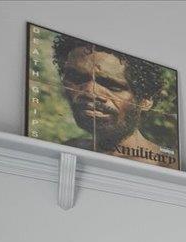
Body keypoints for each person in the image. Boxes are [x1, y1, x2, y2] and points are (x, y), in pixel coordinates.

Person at [52, 33, 177, 168]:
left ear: (146, 100)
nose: (90, 92)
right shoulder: (72, 149)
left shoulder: (167, 166)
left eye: (112, 86)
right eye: (76, 79)